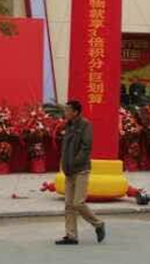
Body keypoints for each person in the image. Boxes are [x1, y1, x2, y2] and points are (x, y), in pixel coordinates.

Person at [56, 100, 106, 246]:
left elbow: (86, 147)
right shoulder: (68, 125)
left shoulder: (85, 125)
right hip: (68, 170)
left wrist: (74, 162)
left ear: (75, 112)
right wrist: (65, 164)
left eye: (67, 110)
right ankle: (71, 236)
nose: (65, 112)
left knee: (78, 202)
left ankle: (98, 224)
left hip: (81, 169)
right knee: (68, 205)